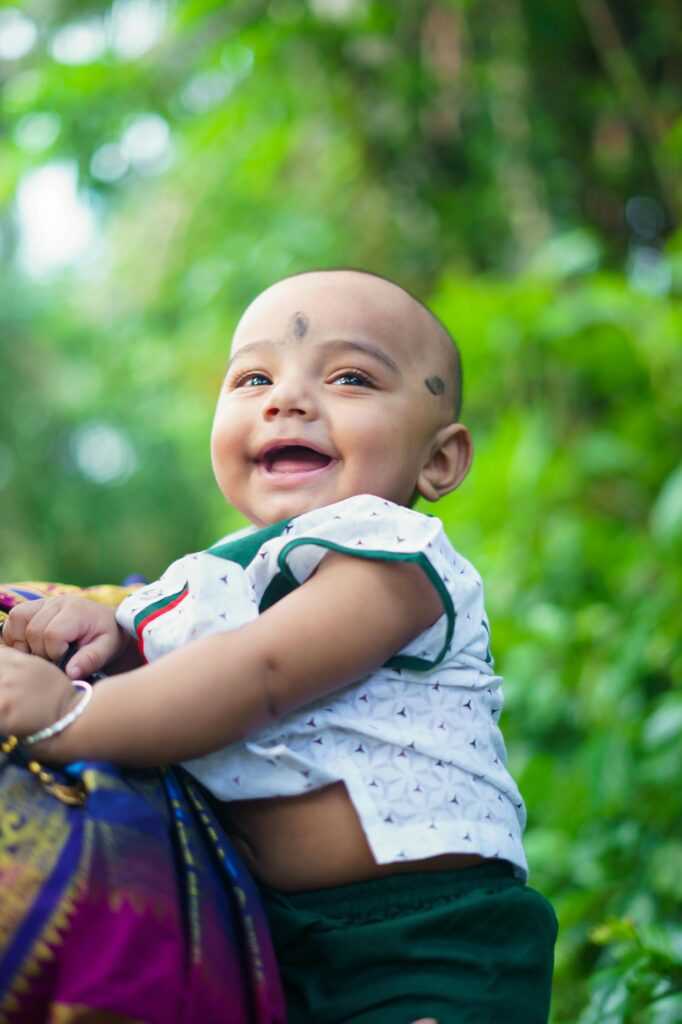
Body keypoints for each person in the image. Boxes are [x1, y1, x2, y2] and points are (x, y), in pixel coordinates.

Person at [0, 269, 557, 1023]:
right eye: (253, 376)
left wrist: (68, 715)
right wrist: (114, 636)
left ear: (439, 461)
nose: (286, 399)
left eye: (351, 377)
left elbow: (261, 672)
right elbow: (180, 668)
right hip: (280, 940)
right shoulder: (210, 573)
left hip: (428, 940)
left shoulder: (398, 553)